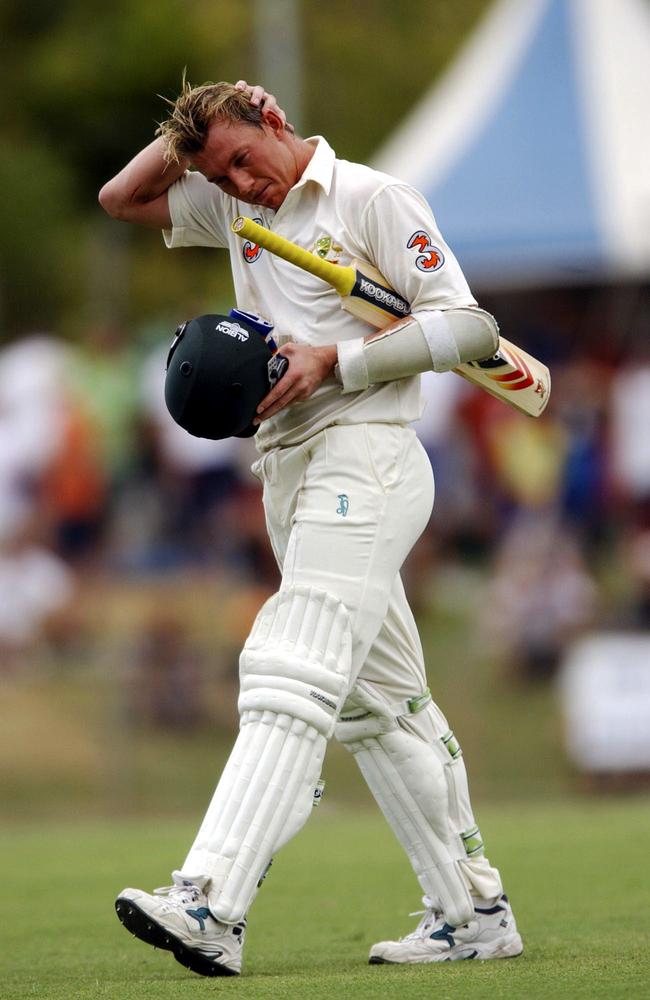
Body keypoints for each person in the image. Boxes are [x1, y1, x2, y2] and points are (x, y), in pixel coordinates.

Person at [99, 78, 523, 977]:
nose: (240, 187)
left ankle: (210, 900)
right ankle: (472, 910)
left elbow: (470, 326)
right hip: (287, 469)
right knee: (382, 708)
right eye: (218, 174)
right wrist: (193, 145)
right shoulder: (234, 205)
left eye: (245, 162)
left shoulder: (371, 197)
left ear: (277, 120)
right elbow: (120, 199)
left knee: (289, 666)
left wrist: (341, 360)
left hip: (364, 452)